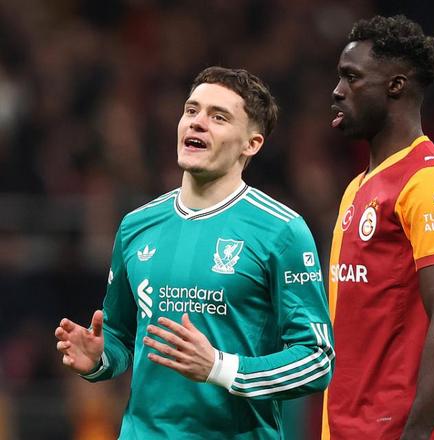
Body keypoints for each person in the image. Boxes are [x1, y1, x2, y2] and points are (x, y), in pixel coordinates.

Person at [54, 66, 334, 439]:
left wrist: (220, 367)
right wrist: (98, 359)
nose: (198, 122)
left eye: (219, 117)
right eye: (192, 110)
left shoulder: (282, 231)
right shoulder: (137, 225)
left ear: (251, 144)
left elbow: (316, 360)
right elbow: (120, 334)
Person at [323, 15, 434, 440]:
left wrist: (417, 434)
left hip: (398, 429)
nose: (337, 91)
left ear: (395, 86)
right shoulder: (358, 187)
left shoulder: (430, 185)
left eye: (351, 77)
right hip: (348, 425)